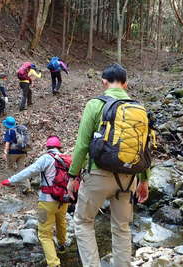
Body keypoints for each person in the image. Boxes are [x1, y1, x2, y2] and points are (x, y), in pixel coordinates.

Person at [67, 64, 151, 267]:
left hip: (98, 175)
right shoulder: (140, 109)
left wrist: (73, 175)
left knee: (83, 222)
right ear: (125, 84)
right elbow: (145, 148)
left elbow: (83, 144)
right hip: (128, 178)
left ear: (104, 82)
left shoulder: (95, 105)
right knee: (122, 227)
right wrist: (144, 180)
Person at [0, 136, 68, 267]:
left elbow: (29, 171)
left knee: (44, 234)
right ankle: (62, 245)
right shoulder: (66, 158)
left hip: (47, 201)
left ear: (47, 147)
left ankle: (54, 264)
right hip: (63, 200)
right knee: (61, 222)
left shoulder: (46, 158)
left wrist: (11, 180)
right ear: (59, 147)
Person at [2, 116, 30, 192]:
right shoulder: (20, 130)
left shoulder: (9, 131)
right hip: (23, 152)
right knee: (21, 169)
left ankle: (12, 183)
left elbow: (7, 143)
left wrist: (5, 152)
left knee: (9, 167)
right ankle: (26, 186)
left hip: (13, 153)